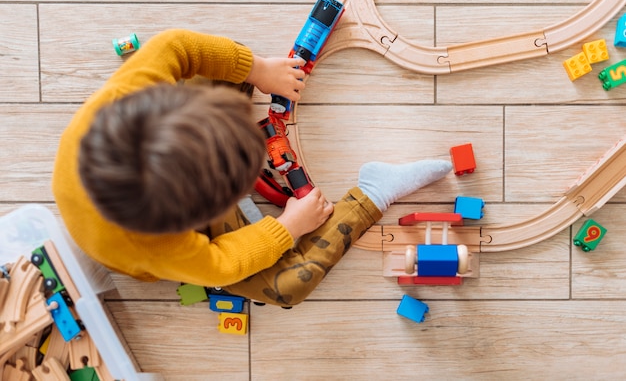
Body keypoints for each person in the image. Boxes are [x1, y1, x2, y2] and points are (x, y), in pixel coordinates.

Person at [52, 29, 452, 307]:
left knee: (224, 60)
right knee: (287, 287)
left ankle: (243, 80)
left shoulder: (126, 93)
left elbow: (175, 45)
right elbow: (222, 264)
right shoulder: (158, 244)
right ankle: (374, 192)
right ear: (203, 214)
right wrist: (289, 226)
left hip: (156, 183)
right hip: (169, 244)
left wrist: (258, 69)